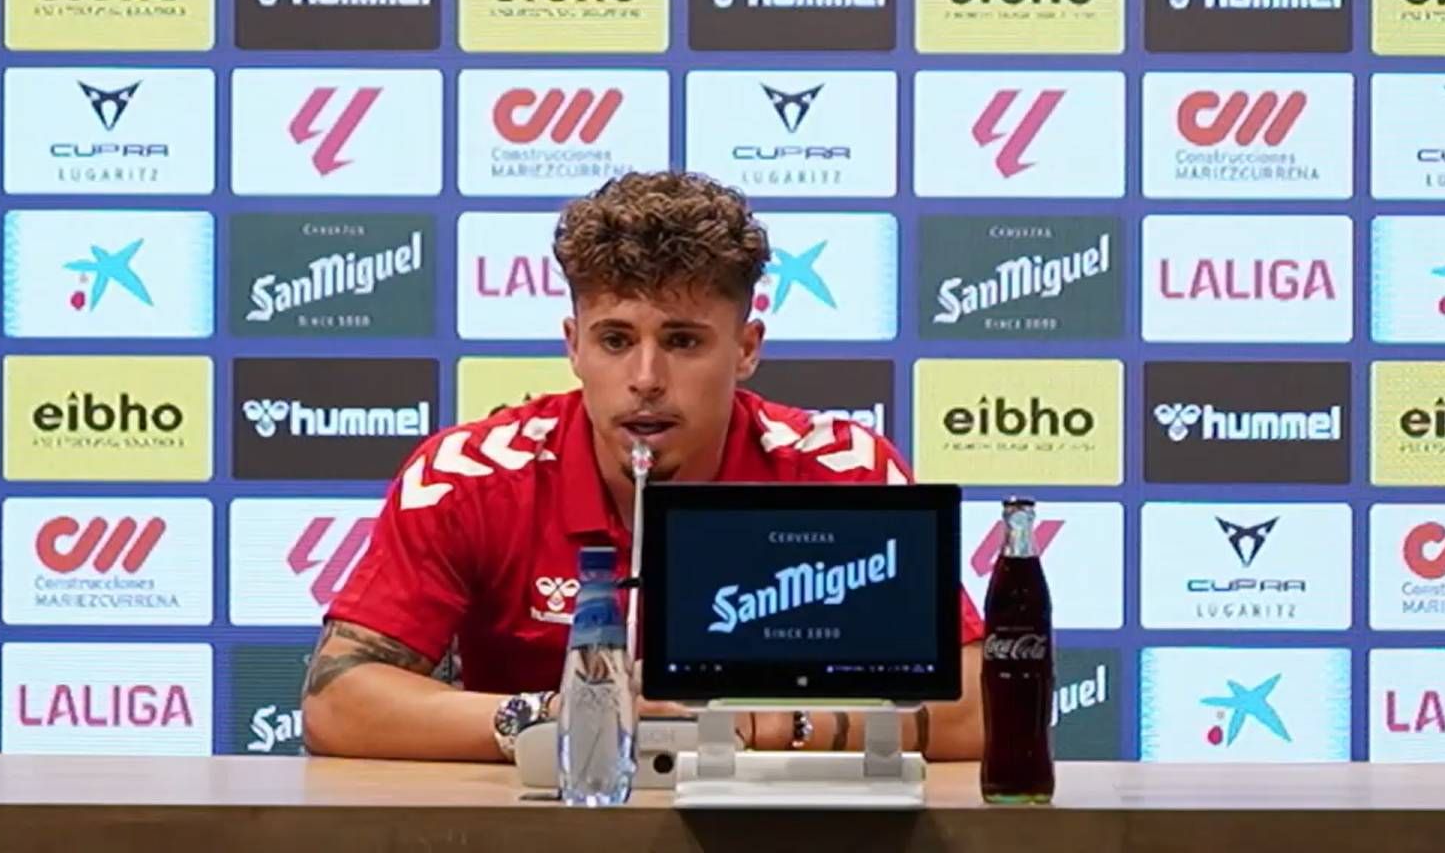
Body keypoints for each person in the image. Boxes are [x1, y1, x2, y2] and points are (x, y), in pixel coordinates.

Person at [301, 171, 986, 762]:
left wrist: (771, 725)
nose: (646, 378)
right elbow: (339, 702)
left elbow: (985, 704)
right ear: (574, 346)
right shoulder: (471, 476)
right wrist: (559, 717)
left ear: (746, 348)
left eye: (684, 341)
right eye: (615, 340)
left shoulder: (844, 472)